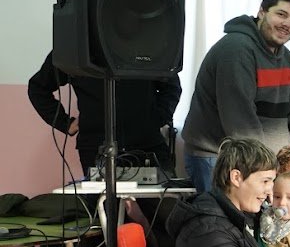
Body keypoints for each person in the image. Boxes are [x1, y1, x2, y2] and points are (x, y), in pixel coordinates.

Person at [182, 0, 290, 191]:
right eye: (281, 14)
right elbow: (241, 123)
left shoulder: (286, 58)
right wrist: (267, 170)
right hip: (219, 158)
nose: (287, 24)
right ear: (262, 12)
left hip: (262, 162)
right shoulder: (236, 50)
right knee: (219, 221)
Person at [27, 51, 180, 177]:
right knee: (103, 209)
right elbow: (38, 88)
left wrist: (158, 118)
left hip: (148, 144)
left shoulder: (145, 44)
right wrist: (64, 123)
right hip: (96, 147)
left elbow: (171, 87)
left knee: (166, 207)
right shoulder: (75, 48)